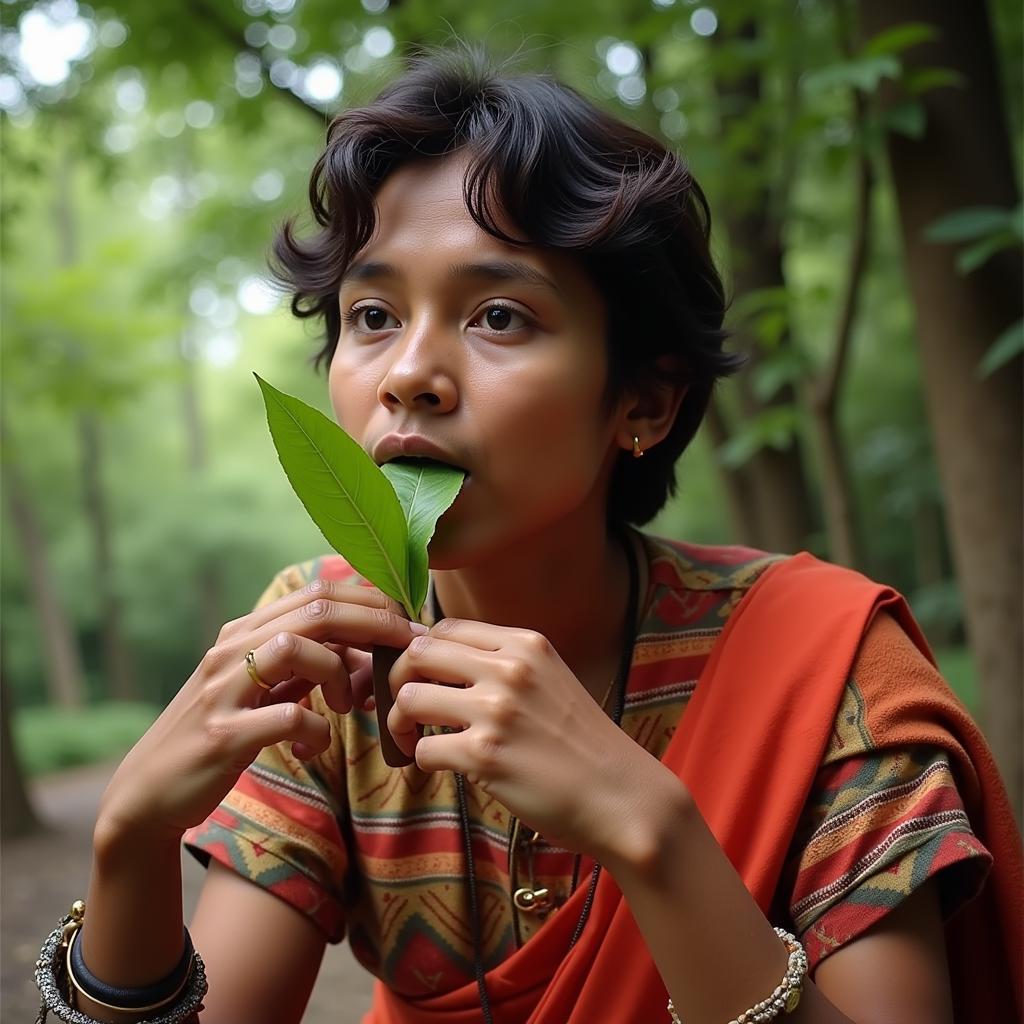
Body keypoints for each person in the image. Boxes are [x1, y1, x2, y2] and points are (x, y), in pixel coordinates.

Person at [35, 43, 1021, 1024]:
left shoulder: (829, 670)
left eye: (499, 315)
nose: (407, 373)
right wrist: (130, 844)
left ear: (642, 400)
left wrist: (653, 834)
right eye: (371, 313)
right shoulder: (319, 657)